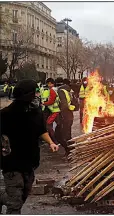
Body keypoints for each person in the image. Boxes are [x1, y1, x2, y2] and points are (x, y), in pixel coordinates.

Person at [0, 79, 59, 214]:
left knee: (22, 195)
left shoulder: (35, 113)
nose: (37, 96)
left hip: (29, 162)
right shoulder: (6, 115)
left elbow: (41, 130)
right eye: (35, 93)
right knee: (15, 204)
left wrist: (51, 142)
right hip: (11, 163)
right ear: (27, 95)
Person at [57, 79, 75, 156]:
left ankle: (69, 151)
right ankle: (71, 148)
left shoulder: (60, 91)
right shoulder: (69, 91)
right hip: (69, 115)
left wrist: (61, 114)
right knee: (67, 134)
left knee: (60, 135)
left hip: (65, 116)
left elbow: (64, 104)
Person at [42, 78, 61, 144]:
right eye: (48, 84)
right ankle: (58, 138)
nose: (49, 85)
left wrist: (44, 103)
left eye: (50, 83)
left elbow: (51, 101)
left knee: (48, 125)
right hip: (55, 110)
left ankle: (54, 140)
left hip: (54, 111)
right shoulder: (56, 89)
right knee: (58, 124)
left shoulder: (52, 90)